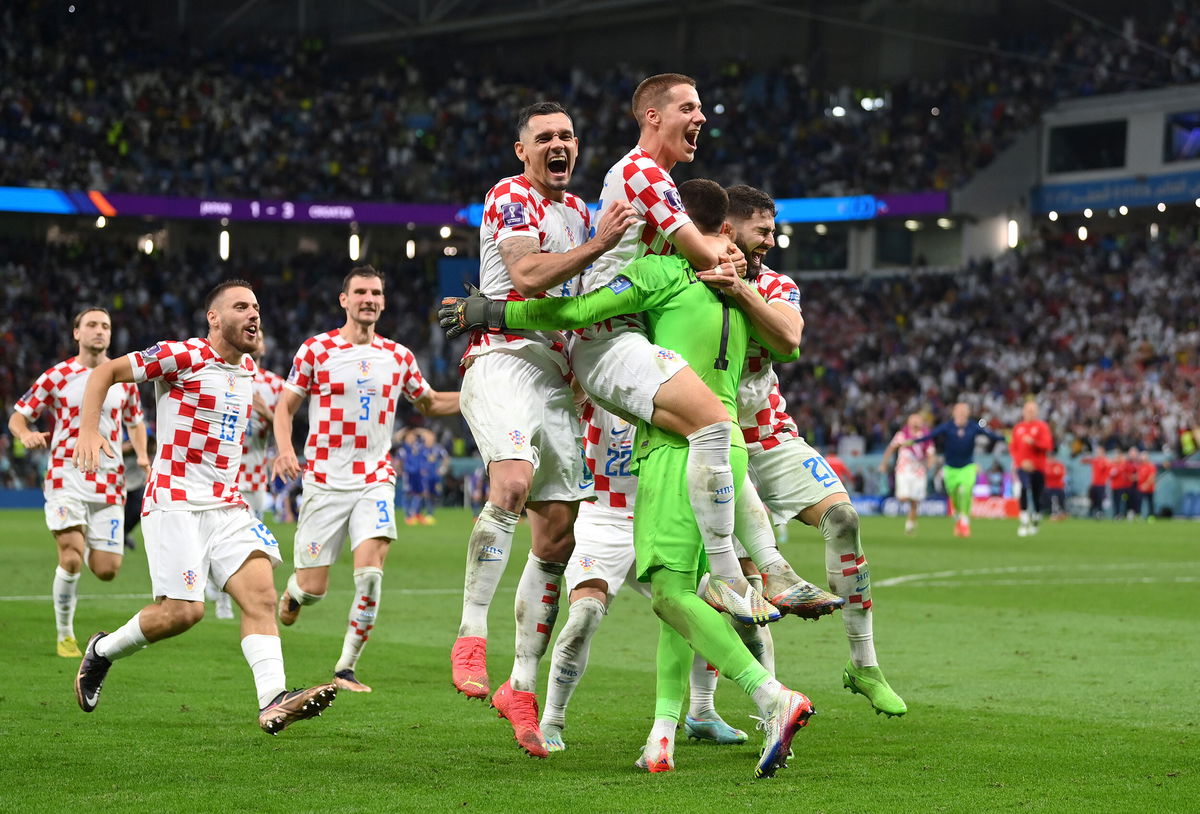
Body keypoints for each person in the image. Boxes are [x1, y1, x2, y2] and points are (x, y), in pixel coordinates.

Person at [443, 179, 815, 779]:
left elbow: (573, 309)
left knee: (673, 597)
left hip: (674, 453)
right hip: (727, 449)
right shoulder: (740, 290)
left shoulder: (662, 277)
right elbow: (788, 344)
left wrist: (492, 311)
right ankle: (663, 733)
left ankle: (772, 696)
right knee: (682, 599)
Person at [448, 101, 638, 760]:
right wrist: (599, 246)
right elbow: (528, 274)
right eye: (545, 137)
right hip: (501, 358)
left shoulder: (585, 214)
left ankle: (520, 687)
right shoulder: (511, 195)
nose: (558, 145)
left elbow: (582, 301)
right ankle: (471, 633)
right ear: (522, 150)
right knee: (513, 481)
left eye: (567, 136)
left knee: (558, 531)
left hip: (558, 379)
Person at [71, 280, 336, 734]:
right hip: (174, 502)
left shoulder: (248, 369)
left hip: (227, 506)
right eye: (240, 307)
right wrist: (88, 430)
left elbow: (270, 414)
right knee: (183, 613)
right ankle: (102, 652)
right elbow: (103, 374)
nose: (253, 314)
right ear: (213, 318)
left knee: (262, 596)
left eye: (256, 306)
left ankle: (273, 699)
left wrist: (280, 446)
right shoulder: (184, 355)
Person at [572, 74, 787, 625]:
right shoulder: (641, 172)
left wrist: (728, 258)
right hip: (607, 336)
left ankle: (737, 579)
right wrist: (727, 257)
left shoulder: (662, 181)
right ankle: (734, 574)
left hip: (626, 338)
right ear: (652, 116)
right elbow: (701, 255)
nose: (702, 119)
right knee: (716, 425)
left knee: (713, 436)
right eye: (689, 108)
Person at [721, 184, 905, 717]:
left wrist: (740, 289)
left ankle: (863, 664)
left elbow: (788, 342)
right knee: (741, 583)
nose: (771, 242)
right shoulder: (689, 278)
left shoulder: (777, 284)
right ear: (728, 228)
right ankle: (757, 707)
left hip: (772, 435)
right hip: (710, 439)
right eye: (763, 231)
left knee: (843, 518)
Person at [539, 399, 765, 752]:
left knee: (706, 607)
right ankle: (552, 720)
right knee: (584, 615)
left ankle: (702, 713)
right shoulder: (598, 383)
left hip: (656, 513)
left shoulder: (667, 391)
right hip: (598, 518)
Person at [273, 266, 458, 695]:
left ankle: (346, 667)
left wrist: (477, 396)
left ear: (383, 302)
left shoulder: (398, 356)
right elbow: (285, 407)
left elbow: (428, 402)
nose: (369, 299)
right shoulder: (316, 350)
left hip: (374, 478)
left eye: (376, 292)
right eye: (360, 292)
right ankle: (295, 592)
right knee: (314, 589)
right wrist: (285, 449)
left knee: (371, 575)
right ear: (344, 300)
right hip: (322, 480)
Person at [9, 307, 148, 658]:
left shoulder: (122, 378)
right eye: (92, 325)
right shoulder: (58, 375)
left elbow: (136, 423)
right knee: (70, 558)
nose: (99, 331)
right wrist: (25, 434)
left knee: (106, 570)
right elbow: (18, 416)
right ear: (77, 333)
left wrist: (143, 456)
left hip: (110, 482)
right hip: (65, 476)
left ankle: (82, 534)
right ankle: (65, 635)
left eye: (105, 326)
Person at [906, 402, 1004, 538]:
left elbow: (990, 435)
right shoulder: (948, 427)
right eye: (959, 411)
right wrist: (914, 441)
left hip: (967, 467)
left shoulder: (973, 427)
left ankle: (964, 520)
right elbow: (931, 435)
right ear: (954, 413)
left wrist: (1007, 438)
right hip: (950, 468)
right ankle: (958, 515)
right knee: (953, 494)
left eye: (965, 411)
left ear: (968, 413)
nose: (962, 413)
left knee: (965, 490)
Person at [880, 413, 935, 536]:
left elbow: (931, 451)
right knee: (903, 497)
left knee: (915, 502)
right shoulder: (902, 434)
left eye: (918, 419)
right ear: (908, 422)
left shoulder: (925, 435)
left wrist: (931, 462)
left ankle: (910, 525)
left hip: (919, 471)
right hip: (903, 470)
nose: (915, 422)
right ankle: (911, 508)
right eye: (913, 419)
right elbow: (891, 448)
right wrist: (884, 463)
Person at [1010, 400, 1053, 537]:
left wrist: (1034, 443)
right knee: (1023, 487)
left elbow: (1048, 446)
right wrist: (1020, 462)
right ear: (1023, 412)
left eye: (1033, 410)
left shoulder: (1042, 427)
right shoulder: (1018, 428)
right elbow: (1013, 448)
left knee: (1036, 495)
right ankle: (1023, 521)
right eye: (1028, 410)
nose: (1030, 412)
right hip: (1022, 466)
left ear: (1037, 412)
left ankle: (1036, 518)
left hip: (1038, 467)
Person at [1081, 447, 1110, 518]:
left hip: (1101, 484)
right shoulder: (1095, 460)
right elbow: (1083, 461)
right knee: (1093, 500)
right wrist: (1086, 456)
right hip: (1094, 484)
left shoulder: (1105, 461)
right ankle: (1092, 513)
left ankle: (1100, 513)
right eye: (1097, 452)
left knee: (1100, 500)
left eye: (1099, 452)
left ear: (1103, 453)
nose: (1098, 454)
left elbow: (1108, 471)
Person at [1108, 449, 1134, 519]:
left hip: (1122, 487)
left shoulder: (1123, 465)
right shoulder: (1113, 465)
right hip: (1114, 487)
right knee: (1115, 501)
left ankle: (1122, 514)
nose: (1117, 459)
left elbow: (1129, 472)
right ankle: (1116, 514)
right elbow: (1110, 476)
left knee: (1122, 501)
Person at [1043, 450, 1068, 521]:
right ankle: (1054, 514)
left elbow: (1061, 474)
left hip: (1059, 487)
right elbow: (1046, 475)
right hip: (1049, 487)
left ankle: (1060, 513)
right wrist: (1053, 474)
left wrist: (1052, 474)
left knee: (1060, 501)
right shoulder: (1045, 465)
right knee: (1053, 501)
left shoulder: (1059, 465)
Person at [1135, 450, 1158, 520]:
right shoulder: (1140, 466)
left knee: (1150, 502)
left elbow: (1152, 477)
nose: (1142, 458)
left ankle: (1151, 516)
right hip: (1140, 488)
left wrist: (1146, 485)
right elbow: (1139, 476)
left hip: (1149, 488)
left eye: (1144, 456)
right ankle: (1138, 515)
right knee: (1139, 501)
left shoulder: (1151, 466)